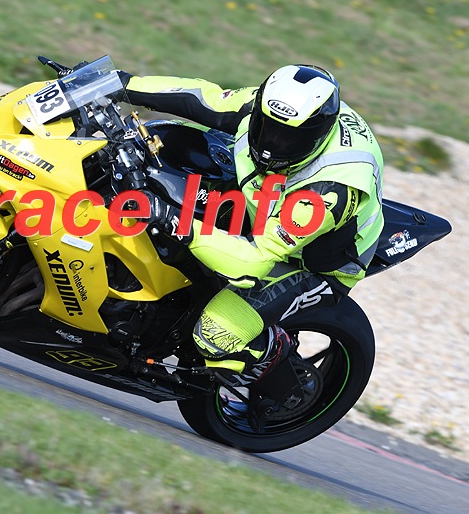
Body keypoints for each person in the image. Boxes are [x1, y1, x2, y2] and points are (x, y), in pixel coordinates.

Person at [118, 64, 384, 387]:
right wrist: (120, 84)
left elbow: (255, 260)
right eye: (267, 128)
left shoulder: (326, 194)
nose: (273, 143)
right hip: (265, 200)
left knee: (215, 334)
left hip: (309, 261)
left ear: (316, 136)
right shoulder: (272, 105)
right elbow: (203, 98)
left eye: (289, 139)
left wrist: (173, 219)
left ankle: (272, 356)